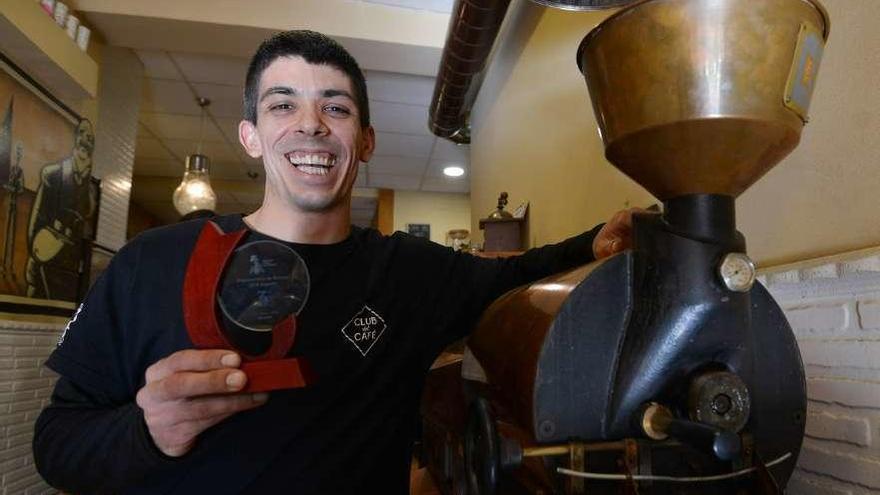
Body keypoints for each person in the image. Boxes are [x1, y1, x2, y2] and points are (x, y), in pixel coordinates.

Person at [32, 30, 638, 494]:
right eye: (282, 105)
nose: (311, 127)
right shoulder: (151, 262)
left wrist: (597, 242)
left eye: (336, 108)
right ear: (250, 136)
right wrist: (147, 432)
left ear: (366, 141)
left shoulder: (413, 274)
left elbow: (516, 273)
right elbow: (56, 444)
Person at [25, 119, 96, 300]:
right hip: (46, 260)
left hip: (68, 275)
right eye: (82, 134)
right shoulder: (53, 175)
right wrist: (39, 253)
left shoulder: (90, 194)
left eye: (90, 139)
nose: (85, 141)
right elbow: (36, 221)